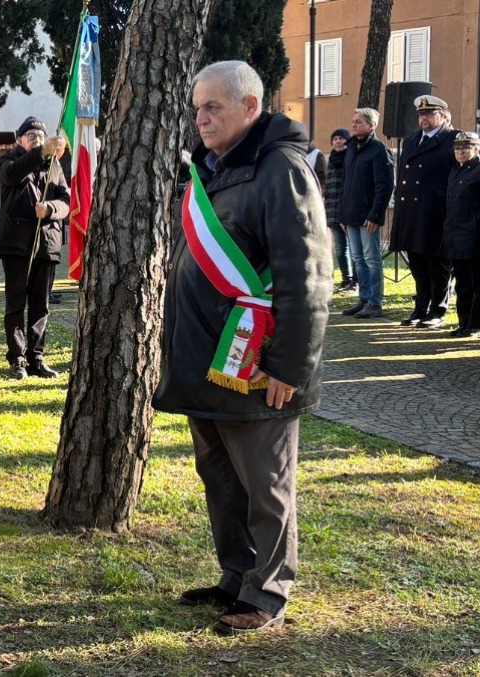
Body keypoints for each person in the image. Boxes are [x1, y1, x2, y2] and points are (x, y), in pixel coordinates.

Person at [155, 61, 331, 634]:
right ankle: (236, 577)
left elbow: (306, 274)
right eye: (197, 107)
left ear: (250, 107)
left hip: (257, 367)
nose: (200, 118)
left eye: (213, 108)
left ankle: (269, 593)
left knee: (264, 484)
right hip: (209, 360)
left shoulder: (280, 169)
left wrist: (289, 367)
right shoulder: (216, 167)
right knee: (222, 479)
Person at [0, 116, 69, 379]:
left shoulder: (54, 165)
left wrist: (50, 209)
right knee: (16, 304)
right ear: (19, 140)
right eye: (31, 136)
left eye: (40, 136)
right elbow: (13, 175)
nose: (36, 139)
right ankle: (17, 359)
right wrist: (40, 152)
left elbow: (65, 200)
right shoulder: (10, 160)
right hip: (16, 245)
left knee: (41, 305)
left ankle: (36, 357)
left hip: (47, 243)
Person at [389, 96, 459, 329]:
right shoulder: (411, 139)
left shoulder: (452, 138)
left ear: (443, 115)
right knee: (418, 264)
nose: (424, 118)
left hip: (437, 211)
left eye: (429, 113)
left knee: (437, 265)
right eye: (421, 114)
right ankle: (420, 308)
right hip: (412, 211)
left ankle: (437, 310)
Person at [340, 107, 394, 319]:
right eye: (353, 121)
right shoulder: (351, 147)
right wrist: (343, 215)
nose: (353, 125)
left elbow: (385, 185)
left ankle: (374, 302)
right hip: (351, 214)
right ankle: (363, 299)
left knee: (372, 259)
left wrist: (375, 214)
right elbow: (347, 184)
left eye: (358, 122)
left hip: (368, 216)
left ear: (371, 125)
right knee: (358, 259)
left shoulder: (379, 149)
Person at [441, 131, 480, 338]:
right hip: (457, 238)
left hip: (478, 238)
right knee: (462, 284)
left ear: (476, 149)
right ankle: (464, 322)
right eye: (457, 148)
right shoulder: (456, 171)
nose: (460, 151)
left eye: (465, 148)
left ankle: (477, 324)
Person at [324, 128, 354, 291]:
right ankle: (346, 279)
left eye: (341, 138)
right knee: (340, 248)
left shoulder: (350, 159)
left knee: (355, 249)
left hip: (347, 211)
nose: (338, 141)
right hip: (332, 212)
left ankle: (355, 281)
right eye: (335, 139)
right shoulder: (331, 160)